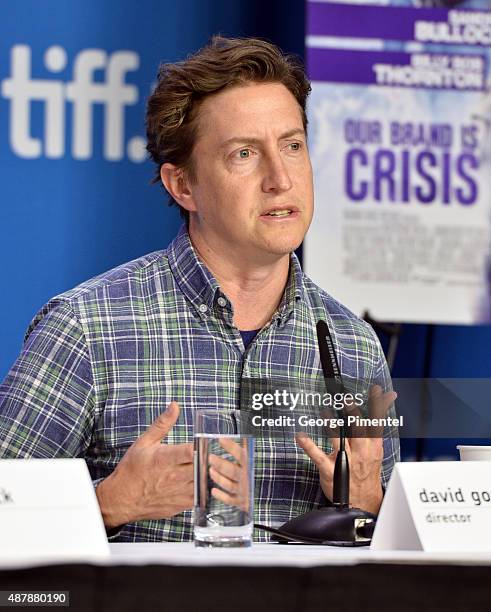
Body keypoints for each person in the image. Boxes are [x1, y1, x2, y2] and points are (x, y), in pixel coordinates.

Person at [0, 36, 399, 542]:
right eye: (244, 153)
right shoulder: (87, 328)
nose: (280, 178)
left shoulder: (354, 346)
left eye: (293, 146)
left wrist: (369, 506)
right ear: (182, 186)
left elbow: (396, 565)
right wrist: (105, 504)